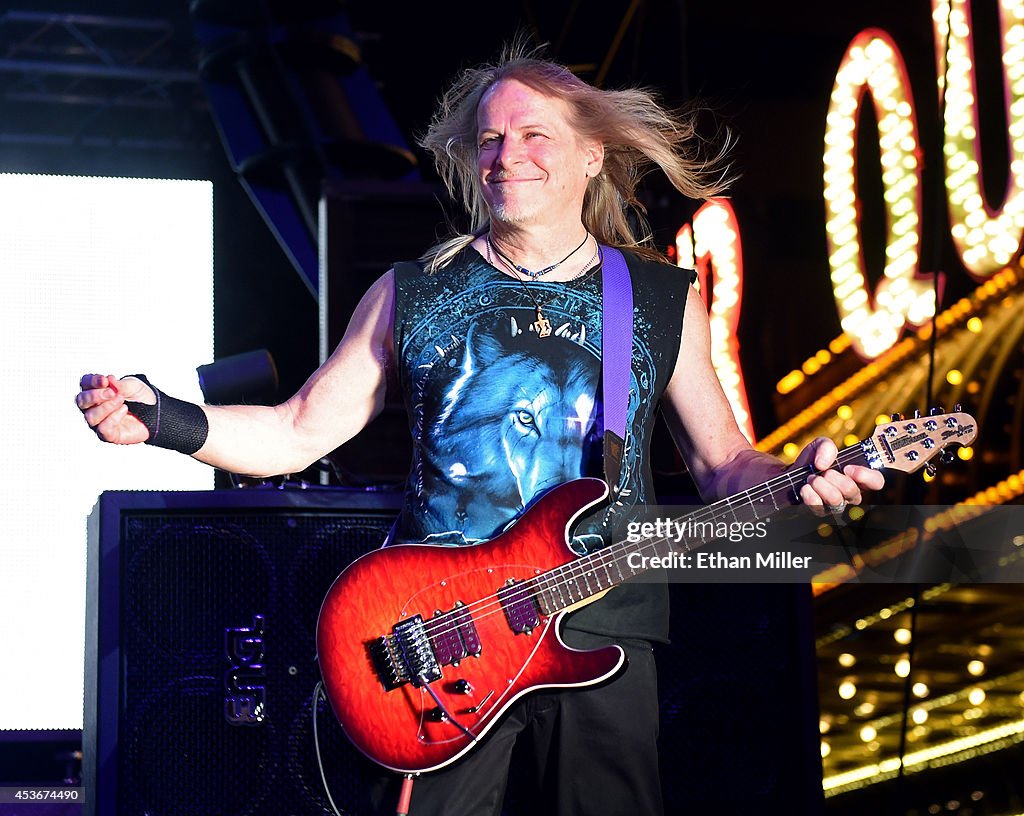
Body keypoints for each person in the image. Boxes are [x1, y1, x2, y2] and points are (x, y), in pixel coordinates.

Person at [77, 44, 883, 816]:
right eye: (490, 138)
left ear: (592, 156)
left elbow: (723, 463)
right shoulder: (415, 292)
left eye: (535, 135)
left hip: (601, 623)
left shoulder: (658, 298)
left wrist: (799, 474)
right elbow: (296, 431)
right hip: (438, 636)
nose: (507, 154)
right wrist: (162, 419)